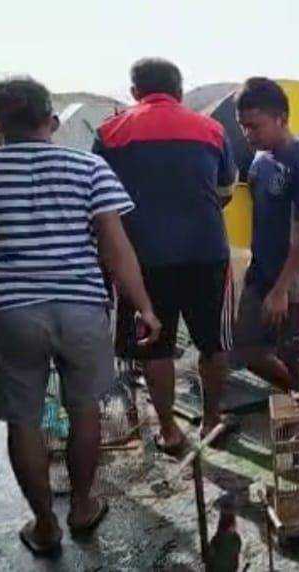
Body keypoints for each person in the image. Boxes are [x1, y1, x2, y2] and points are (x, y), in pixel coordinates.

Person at [0, 77, 160, 554]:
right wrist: (145, 307)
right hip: (80, 308)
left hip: (11, 312)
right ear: (49, 119)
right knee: (84, 408)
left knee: (23, 420)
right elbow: (116, 248)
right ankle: (83, 507)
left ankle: (45, 525)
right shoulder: (88, 167)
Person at [94, 58, 236, 452]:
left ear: (134, 91)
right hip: (206, 251)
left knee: (153, 345)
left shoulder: (110, 133)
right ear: (179, 90)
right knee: (213, 342)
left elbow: (100, 201)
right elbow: (225, 189)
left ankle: (170, 431)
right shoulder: (211, 129)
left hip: (140, 259)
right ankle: (212, 421)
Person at [233, 77, 299, 392]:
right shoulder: (260, 160)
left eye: (255, 126)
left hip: (294, 283)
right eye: (243, 126)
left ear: (281, 119)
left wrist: (281, 290)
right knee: (245, 348)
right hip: (260, 273)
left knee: (295, 355)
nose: (248, 134)